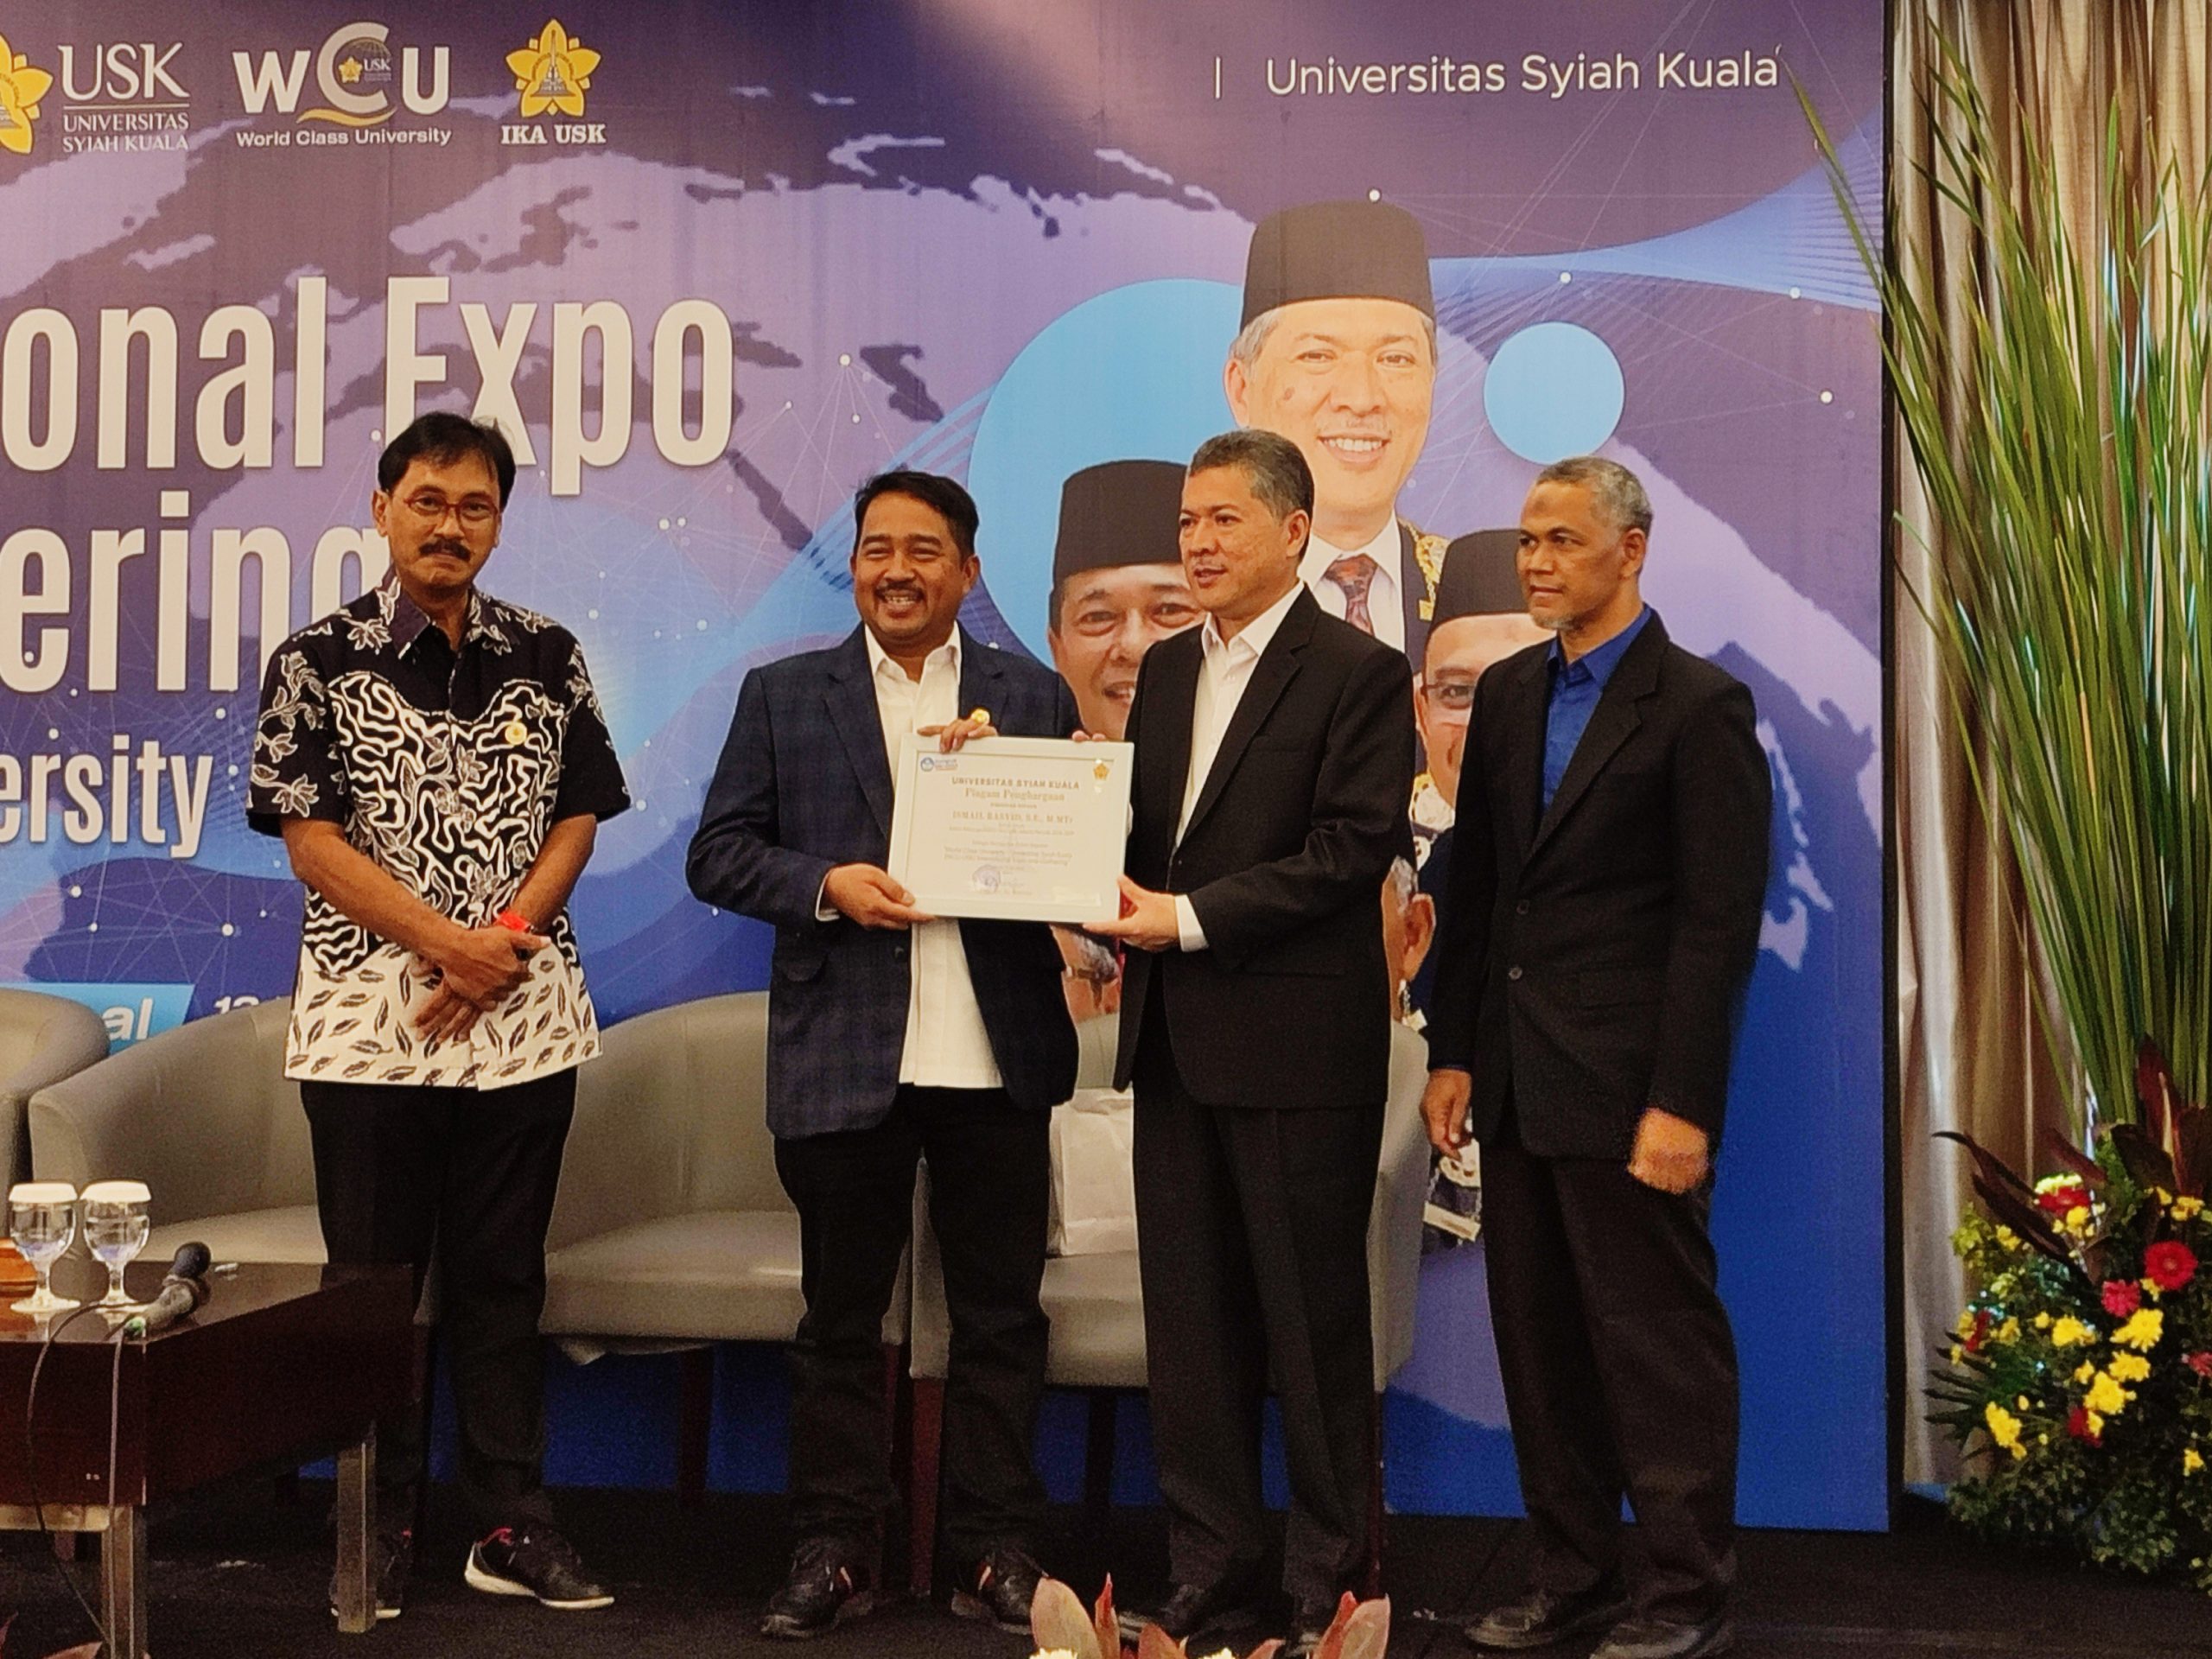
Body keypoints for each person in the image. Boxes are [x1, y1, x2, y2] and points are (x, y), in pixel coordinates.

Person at [686, 470, 1080, 1640]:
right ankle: (836, 1549)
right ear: (853, 566)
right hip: (843, 1054)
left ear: (968, 569)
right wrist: (827, 885)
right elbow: (719, 854)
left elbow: (1075, 858)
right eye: (875, 549)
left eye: (923, 549)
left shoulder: (1032, 696)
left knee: (1001, 1319)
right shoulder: (783, 695)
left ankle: (992, 1551)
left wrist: (1036, 806)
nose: (896, 570)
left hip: (995, 1052)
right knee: (840, 1323)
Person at [248, 411, 628, 1618]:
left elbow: (579, 812)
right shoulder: (317, 660)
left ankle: (512, 1523)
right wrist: (444, 947)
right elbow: (310, 841)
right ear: (383, 510)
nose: (448, 525)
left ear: (498, 523)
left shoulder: (547, 653)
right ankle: (379, 1524)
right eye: (427, 500)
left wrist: (497, 944)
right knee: (374, 1290)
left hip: (522, 1015)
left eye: (474, 507)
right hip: (373, 1024)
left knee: (503, 1281)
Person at [1421, 456, 1770, 1659]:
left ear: (1631, 550)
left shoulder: (1699, 705)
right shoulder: (1511, 691)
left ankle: (1685, 1594)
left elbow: (1715, 925)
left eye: (1561, 541)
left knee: (1657, 1351)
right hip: (1515, 1079)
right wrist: (1454, 1052)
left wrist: (1682, 1104)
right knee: (1541, 1350)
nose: (1536, 562)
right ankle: (1569, 1579)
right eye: (1527, 541)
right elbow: (1481, 890)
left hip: (1631, 1094)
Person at [1097, 429, 1414, 1659]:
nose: (1197, 543)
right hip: (1174, 1043)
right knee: (1192, 1334)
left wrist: (1184, 918)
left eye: (1223, 520)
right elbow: (1142, 830)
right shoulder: (1169, 668)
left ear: (1293, 531)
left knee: (1310, 1330)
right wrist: (1022, 799)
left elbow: (1349, 849)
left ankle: (1327, 1584)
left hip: (1295, 1052)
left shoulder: (1357, 671)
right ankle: (1210, 1570)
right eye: (1187, 521)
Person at [1224, 198, 1452, 663]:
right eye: (1317, 356)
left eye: (1395, 359)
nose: (1362, 398)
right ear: (1242, 388)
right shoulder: (1187, 600)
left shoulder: (1474, 597)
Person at [1045, 460, 1204, 1020]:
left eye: (1169, 611)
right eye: (1098, 617)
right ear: (1056, 646)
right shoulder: (1025, 796)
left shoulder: (1266, 788)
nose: (1134, 646)